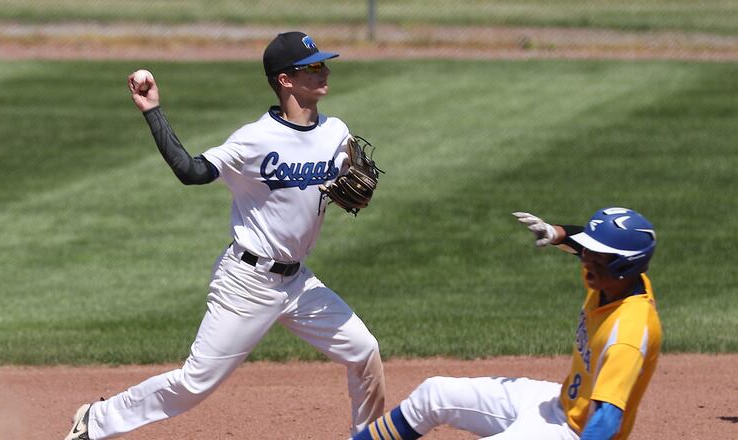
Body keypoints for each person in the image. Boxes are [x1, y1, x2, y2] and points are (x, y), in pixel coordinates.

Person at [65, 31, 385, 440]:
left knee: (364, 351)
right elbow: (191, 171)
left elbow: (347, 183)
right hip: (247, 283)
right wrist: (153, 110)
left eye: (323, 63)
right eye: (313, 67)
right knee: (194, 383)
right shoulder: (255, 139)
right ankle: (96, 420)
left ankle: (370, 436)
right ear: (285, 79)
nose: (324, 71)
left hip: (299, 284)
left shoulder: (336, 132)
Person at [351, 207, 662, 440]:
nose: (586, 261)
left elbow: (608, 419)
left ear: (624, 264)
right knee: (435, 393)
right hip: (557, 402)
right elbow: (587, 245)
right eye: (587, 251)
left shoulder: (628, 333)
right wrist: (558, 233)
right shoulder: (613, 280)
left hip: (573, 432)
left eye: (597, 256)